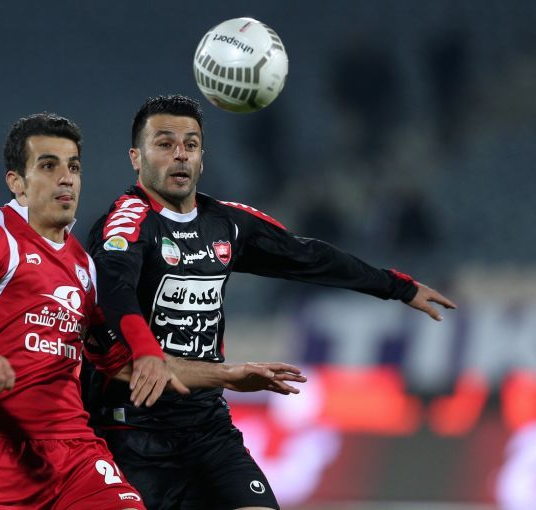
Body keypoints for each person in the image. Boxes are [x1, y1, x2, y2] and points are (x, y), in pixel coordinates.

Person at [0, 112, 307, 510]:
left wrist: (228, 376)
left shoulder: (83, 266)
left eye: (73, 167)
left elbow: (130, 367)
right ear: (17, 183)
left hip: (74, 450)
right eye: (49, 166)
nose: (66, 178)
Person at [82, 95, 457, 510]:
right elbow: (113, 289)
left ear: (202, 157)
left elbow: (307, 256)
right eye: (165, 144)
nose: (180, 155)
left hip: (208, 428)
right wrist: (147, 350)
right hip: (132, 431)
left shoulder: (225, 223)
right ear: (136, 158)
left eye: (191, 144)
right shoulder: (127, 223)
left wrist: (397, 286)